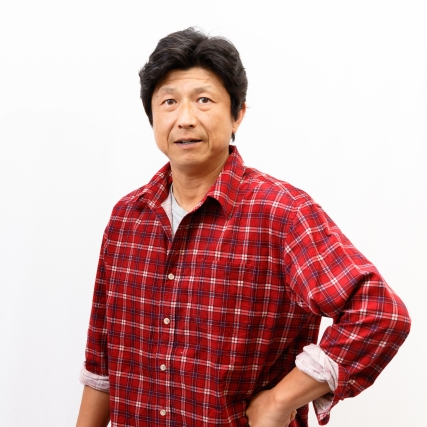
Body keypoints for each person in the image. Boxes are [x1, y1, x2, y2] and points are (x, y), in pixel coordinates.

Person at [76, 28, 410, 427]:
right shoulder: (127, 217)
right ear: (152, 115)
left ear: (237, 114)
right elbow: (102, 364)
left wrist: (280, 401)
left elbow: (379, 314)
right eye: (169, 101)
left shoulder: (281, 213)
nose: (185, 119)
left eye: (203, 100)